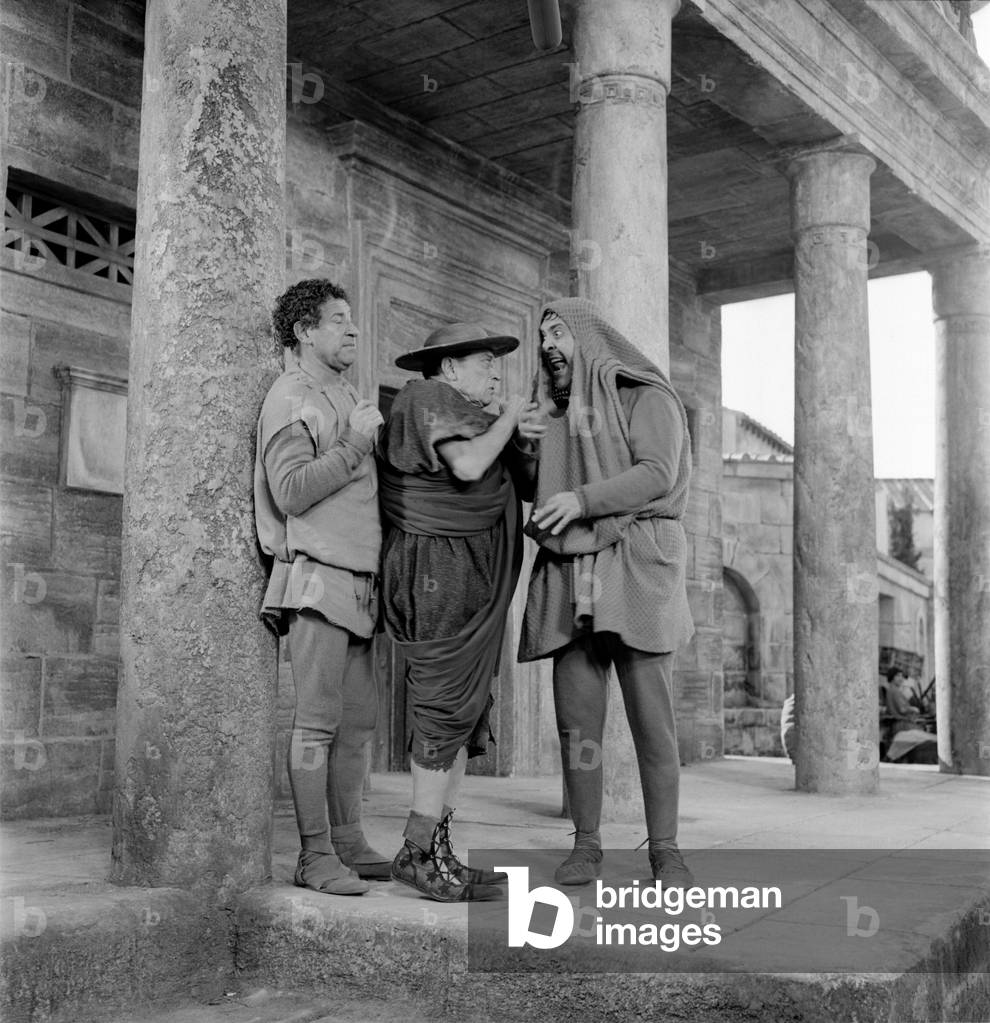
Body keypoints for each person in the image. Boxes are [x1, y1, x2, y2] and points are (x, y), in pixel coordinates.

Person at [518, 298, 696, 888]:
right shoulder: (558, 414)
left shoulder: (648, 395)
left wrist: (584, 501)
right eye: (541, 335)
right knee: (577, 723)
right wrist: (525, 445)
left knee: (653, 723)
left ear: (591, 339)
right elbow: (535, 490)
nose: (547, 344)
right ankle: (587, 845)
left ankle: (665, 850)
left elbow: (656, 475)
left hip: (638, 565)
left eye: (558, 331)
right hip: (571, 572)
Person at [377, 322, 543, 902]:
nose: (496, 372)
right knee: (444, 701)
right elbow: (469, 467)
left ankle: (438, 849)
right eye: (484, 361)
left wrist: (521, 434)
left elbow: (525, 483)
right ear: (448, 367)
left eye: (497, 364)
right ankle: (416, 852)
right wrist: (505, 420)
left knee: (468, 709)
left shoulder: (476, 414)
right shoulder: (425, 397)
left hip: (475, 575)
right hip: (437, 569)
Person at [254, 278, 390, 896]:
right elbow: (291, 491)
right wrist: (358, 442)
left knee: (358, 724)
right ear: (305, 331)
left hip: (358, 580)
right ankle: (314, 855)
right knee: (316, 723)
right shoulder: (291, 395)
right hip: (315, 577)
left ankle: (350, 839)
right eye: (338, 320)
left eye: (352, 318)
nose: (353, 330)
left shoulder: (346, 391)